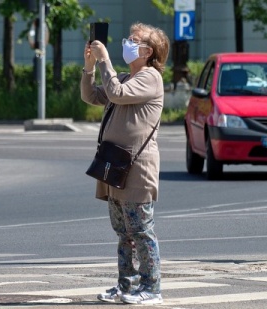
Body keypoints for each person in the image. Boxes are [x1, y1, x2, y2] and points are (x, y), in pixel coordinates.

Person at [80, 22, 170, 305]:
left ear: (148, 51)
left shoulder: (150, 78)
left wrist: (104, 59)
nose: (127, 43)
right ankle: (126, 285)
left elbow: (117, 94)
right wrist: (90, 67)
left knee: (141, 230)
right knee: (123, 233)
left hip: (137, 167)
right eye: (128, 38)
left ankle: (152, 288)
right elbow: (92, 96)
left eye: (134, 40)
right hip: (115, 162)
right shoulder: (122, 77)